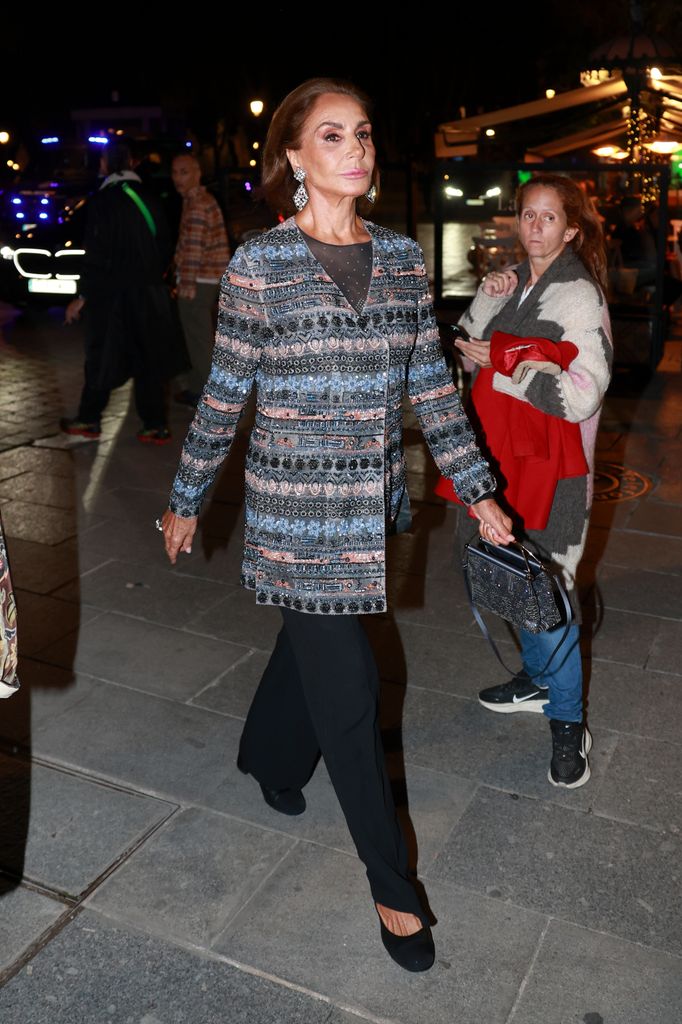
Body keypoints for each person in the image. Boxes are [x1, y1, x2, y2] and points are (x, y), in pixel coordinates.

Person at [159, 78, 513, 973]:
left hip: (366, 509)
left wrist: (478, 490)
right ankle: (394, 892)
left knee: (310, 653)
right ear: (294, 159)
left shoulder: (400, 262)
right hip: (292, 516)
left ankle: (267, 755)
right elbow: (226, 392)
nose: (355, 149)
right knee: (350, 693)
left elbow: (430, 387)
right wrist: (186, 494)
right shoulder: (258, 267)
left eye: (361, 133)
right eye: (332, 136)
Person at [436, 173, 613, 790]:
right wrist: (487, 299)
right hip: (494, 461)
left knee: (554, 598)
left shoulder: (578, 297)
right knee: (508, 576)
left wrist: (509, 363)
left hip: (554, 473)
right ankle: (537, 681)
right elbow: (463, 350)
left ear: (570, 228)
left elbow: (584, 395)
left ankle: (569, 726)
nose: (533, 226)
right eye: (526, 215)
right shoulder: (514, 280)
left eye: (547, 217)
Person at [61, 142, 188, 445]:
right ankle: (155, 425)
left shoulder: (104, 201)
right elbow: (165, 245)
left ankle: (89, 420)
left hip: (112, 297)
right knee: (148, 360)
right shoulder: (149, 198)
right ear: (131, 162)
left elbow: (96, 254)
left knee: (102, 356)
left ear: (105, 164)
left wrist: (82, 296)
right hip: (149, 294)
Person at [170, 152, 230, 406]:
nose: (177, 178)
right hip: (208, 278)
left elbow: (194, 248)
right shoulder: (197, 200)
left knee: (198, 338)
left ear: (197, 174)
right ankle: (199, 386)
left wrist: (186, 284)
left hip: (200, 280)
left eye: (184, 172)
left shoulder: (197, 204)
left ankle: (206, 393)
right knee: (201, 336)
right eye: (174, 172)